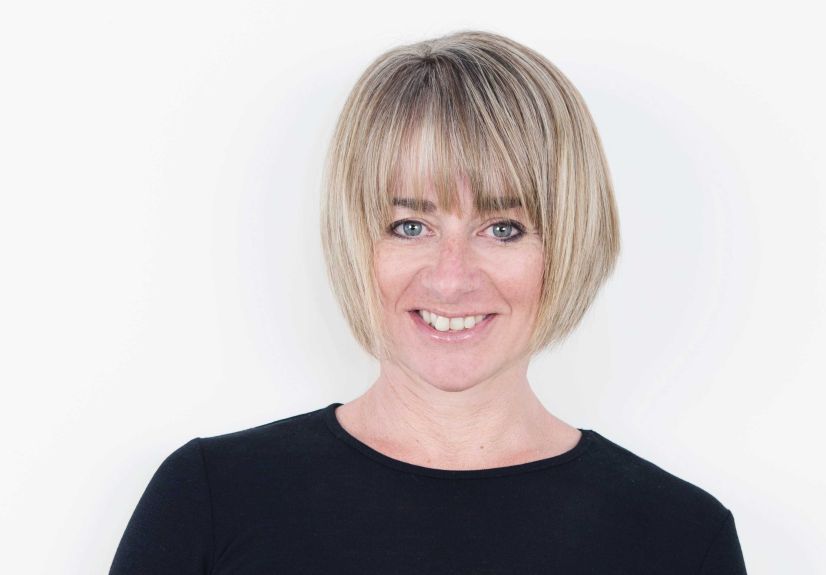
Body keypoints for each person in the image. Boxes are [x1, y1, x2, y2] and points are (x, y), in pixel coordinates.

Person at [108, 30, 748, 574]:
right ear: (355, 237)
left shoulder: (680, 540)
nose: (451, 279)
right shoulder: (212, 497)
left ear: (573, 239)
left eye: (504, 229)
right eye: (409, 226)